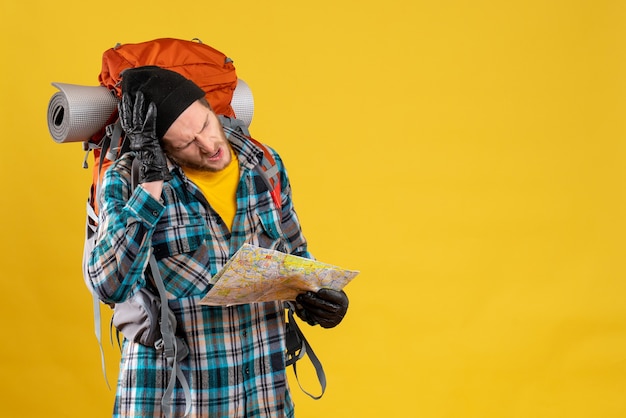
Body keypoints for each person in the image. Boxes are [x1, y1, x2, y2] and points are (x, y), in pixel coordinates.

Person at [87, 66, 349, 417]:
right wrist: (151, 183)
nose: (209, 145)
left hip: (264, 396)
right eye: (185, 143)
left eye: (206, 125)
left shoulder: (263, 164)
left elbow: (295, 252)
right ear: (162, 148)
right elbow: (110, 286)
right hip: (176, 401)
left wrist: (318, 295)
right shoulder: (128, 180)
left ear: (210, 108)